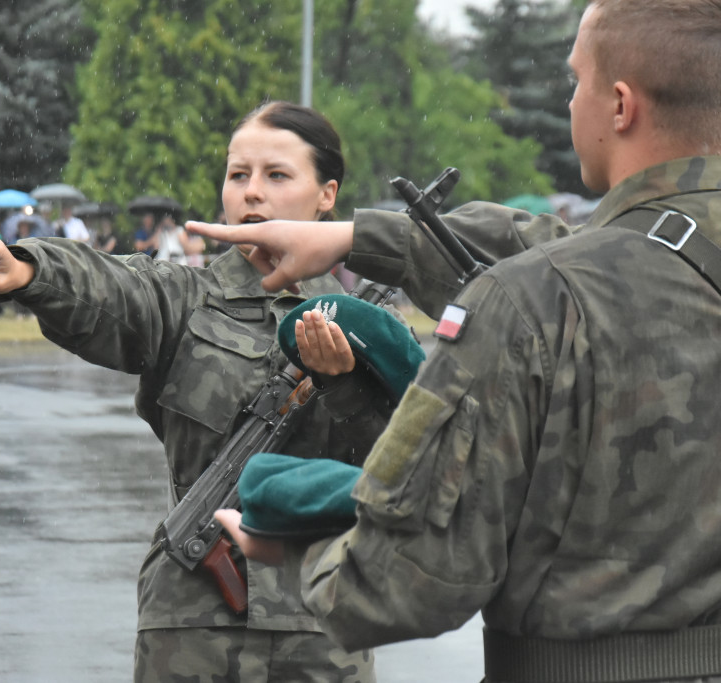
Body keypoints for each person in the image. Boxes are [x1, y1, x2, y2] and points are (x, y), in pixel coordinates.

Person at [193, 2, 721, 681]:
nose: (569, 103)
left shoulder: (528, 303)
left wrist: (286, 543)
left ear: (620, 105)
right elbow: (597, 251)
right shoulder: (575, 281)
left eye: (576, 81)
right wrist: (358, 237)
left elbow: (406, 579)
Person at [0, 101, 398, 683]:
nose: (252, 193)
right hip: (192, 621)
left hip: (325, 625)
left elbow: (404, 466)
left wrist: (345, 387)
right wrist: (30, 271)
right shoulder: (186, 300)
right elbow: (112, 288)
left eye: (277, 175)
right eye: (239, 175)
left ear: (327, 194)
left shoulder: (367, 326)